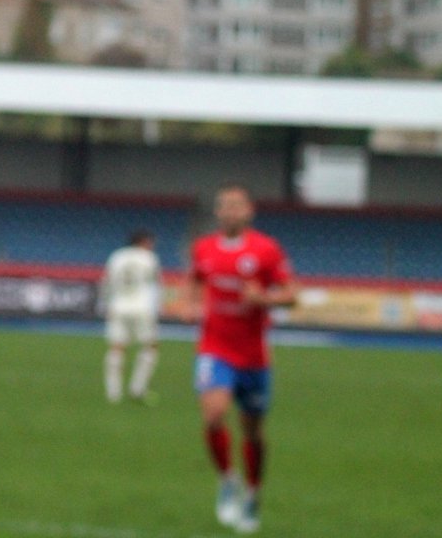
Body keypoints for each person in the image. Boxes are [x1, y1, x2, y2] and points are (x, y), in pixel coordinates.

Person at [184, 184, 299, 534]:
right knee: (214, 413)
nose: (231, 212)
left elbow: (292, 295)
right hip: (214, 348)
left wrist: (263, 298)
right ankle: (227, 479)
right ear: (217, 213)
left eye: (237, 206)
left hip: (253, 355)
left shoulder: (266, 249)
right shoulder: (203, 248)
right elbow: (195, 280)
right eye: (225, 206)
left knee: (253, 432)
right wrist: (191, 304)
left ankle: (253, 492)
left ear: (249, 211)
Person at [101, 229, 161, 404]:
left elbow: (107, 283)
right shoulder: (149, 258)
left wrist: (107, 304)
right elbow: (155, 284)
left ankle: (113, 393)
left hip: (118, 306)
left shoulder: (117, 256)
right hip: (142, 307)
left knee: (117, 347)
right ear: (143, 242)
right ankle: (138, 389)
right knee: (150, 346)